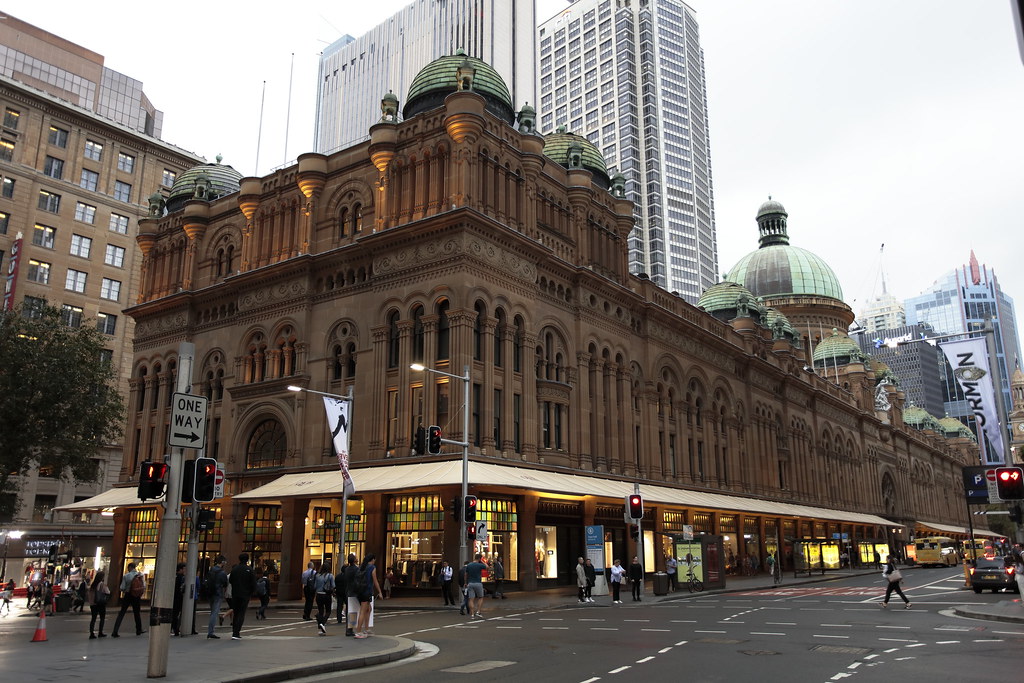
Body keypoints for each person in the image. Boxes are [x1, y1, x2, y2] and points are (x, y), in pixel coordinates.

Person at [111, 562, 146, 637]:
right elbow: (144, 586)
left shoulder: (126, 576)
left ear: (130, 567)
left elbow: (122, 587)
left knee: (122, 613)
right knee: (137, 613)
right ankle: (139, 629)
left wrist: (126, 589)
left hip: (128, 595)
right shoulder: (140, 575)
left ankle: (115, 631)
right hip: (136, 596)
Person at [228, 552, 256, 640]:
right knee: (241, 613)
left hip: (235, 593)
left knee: (236, 613)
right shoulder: (249, 570)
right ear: (247, 560)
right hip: (245, 594)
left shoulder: (235, 569)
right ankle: (236, 632)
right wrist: (251, 592)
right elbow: (253, 583)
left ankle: (234, 631)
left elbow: (231, 580)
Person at [354, 554, 383, 638]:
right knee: (363, 611)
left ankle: (366, 629)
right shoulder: (372, 567)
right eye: (374, 560)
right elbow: (375, 581)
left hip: (360, 591)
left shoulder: (362, 567)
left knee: (368, 609)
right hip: (366, 591)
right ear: (373, 559)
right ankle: (358, 631)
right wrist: (379, 592)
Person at [206, 556, 228, 639]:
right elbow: (225, 584)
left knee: (213, 611)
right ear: (223, 562)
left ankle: (211, 631)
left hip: (210, 593)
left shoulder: (211, 570)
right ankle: (210, 631)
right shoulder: (222, 573)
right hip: (218, 593)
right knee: (214, 613)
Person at [339, 553, 359, 635]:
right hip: (354, 592)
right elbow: (357, 580)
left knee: (349, 611)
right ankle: (350, 629)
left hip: (348, 591)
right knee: (353, 611)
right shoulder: (356, 569)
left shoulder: (347, 569)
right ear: (354, 560)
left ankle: (348, 629)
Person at [313, 562, 334, 635]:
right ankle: (322, 623)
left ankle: (321, 626)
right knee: (328, 611)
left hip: (319, 595)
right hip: (326, 594)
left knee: (321, 611)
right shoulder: (330, 575)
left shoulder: (317, 575)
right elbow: (333, 585)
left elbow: (315, 586)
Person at [87, 571, 110, 638]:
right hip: (100, 603)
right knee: (102, 618)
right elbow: (108, 592)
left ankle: (91, 633)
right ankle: (100, 632)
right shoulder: (102, 584)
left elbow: (90, 595)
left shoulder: (93, 585)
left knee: (93, 619)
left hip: (93, 604)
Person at [465, 553, 488, 619]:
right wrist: (482, 561)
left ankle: (472, 614)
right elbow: (487, 567)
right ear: (479, 558)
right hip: (478, 583)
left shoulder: (469, 565)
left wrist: (465, 582)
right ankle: (478, 611)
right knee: (480, 597)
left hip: (470, 583)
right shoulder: (480, 565)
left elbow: (466, 574)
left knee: (471, 599)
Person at [171, 562, 186, 636]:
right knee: (176, 614)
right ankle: (176, 629)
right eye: (184, 568)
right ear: (180, 569)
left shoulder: (174, 576)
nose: (185, 570)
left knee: (174, 613)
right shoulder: (181, 577)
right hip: (179, 597)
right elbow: (182, 588)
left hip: (174, 597)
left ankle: (173, 628)